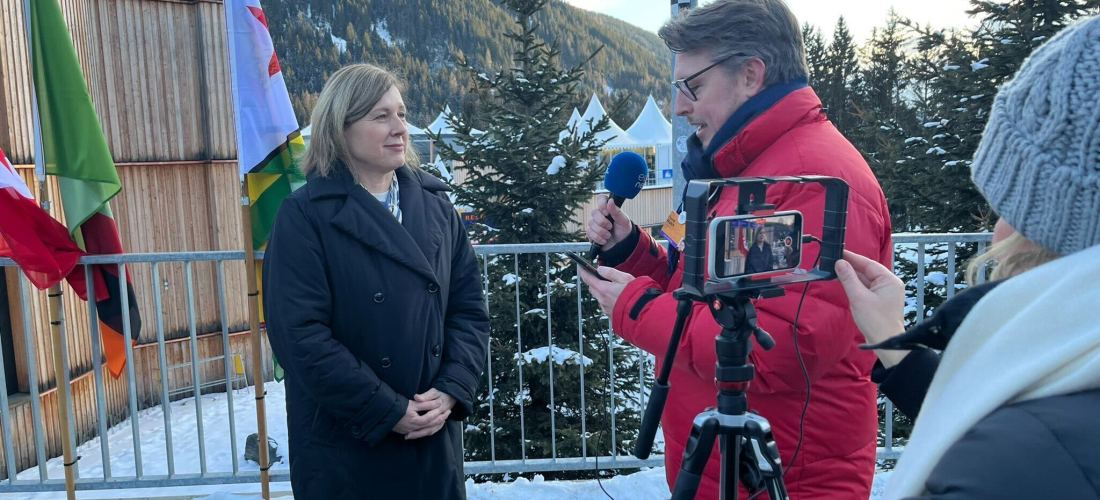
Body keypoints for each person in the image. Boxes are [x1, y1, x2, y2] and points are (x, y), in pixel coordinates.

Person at [579, 0, 893, 498]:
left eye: (693, 87)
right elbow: (720, 297)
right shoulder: (751, 167)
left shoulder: (810, 179)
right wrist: (633, 254)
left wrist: (636, 308)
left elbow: (775, 348)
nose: (681, 106)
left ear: (751, 75)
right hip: (729, 464)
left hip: (785, 475)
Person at [835, 15, 1100, 498]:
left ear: (1058, 225)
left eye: (1008, 206)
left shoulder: (1011, 464)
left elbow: (1022, 439)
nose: (995, 229)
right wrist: (894, 342)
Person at [263, 63, 490, 499]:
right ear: (340, 127)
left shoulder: (438, 209)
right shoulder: (305, 216)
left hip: (431, 440)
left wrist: (449, 390)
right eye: (380, 116)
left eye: (401, 114)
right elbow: (301, 338)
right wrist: (387, 409)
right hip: (348, 448)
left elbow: (468, 312)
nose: (399, 128)